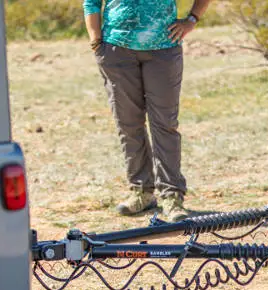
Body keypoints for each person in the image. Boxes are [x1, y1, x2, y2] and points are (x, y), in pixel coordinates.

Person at [83, 0, 212, 220]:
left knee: (164, 124)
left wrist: (192, 20)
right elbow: (91, 2)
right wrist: (95, 40)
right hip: (116, 50)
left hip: (164, 49)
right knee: (128, 124)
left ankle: (172, 197)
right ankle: (141, 192)